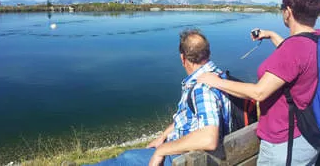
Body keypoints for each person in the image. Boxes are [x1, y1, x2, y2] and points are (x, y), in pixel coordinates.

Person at [198, 0, 320, 165]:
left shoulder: (293, 50)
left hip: (284, 143)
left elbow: (259, 92)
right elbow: (297, 62)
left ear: (288, 12)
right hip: (308, 133)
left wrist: (214, 81)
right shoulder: (317, 39)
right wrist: (272, 35)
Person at [90, 29, 231, 166]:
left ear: (183, 58)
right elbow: (188, 119)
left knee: (125, 159)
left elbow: (208, 139)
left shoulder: (202, 88)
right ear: (208, 53)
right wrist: (163, 136)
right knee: (129, 156)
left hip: (184, 158)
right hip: (192, 152)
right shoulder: (221, 77)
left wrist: (162, 150)